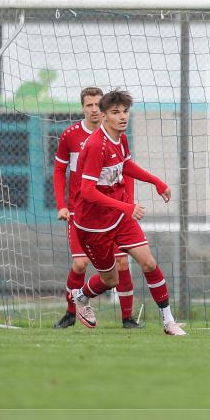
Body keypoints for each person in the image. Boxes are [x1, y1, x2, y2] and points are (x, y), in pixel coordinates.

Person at [69, 90, 186, 336]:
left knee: (148, 262)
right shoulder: (94, 146)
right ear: (103, 116)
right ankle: (80, 297)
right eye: (115, 112)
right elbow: (87, 191)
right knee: (110, 279)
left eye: (125, 111)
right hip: (94, 225)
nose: (122, 117)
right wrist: (127, 207)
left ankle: (168, 321)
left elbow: (126, 164)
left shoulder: (120, 138)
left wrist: (156, 182)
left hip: (120, 218)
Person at [52, 87, 140, 329]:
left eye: (96, 105)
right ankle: (71, 313)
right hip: (80, 214)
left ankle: (127, 318)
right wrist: (61, 205)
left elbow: (127, 171)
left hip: (112, 214)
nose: (93, 109)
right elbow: (59, 171)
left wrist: (127, 205)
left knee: (122, 264)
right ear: (83, 107)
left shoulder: (118, 136)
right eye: (88, 105)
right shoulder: (71, 136)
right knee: (80, 264)